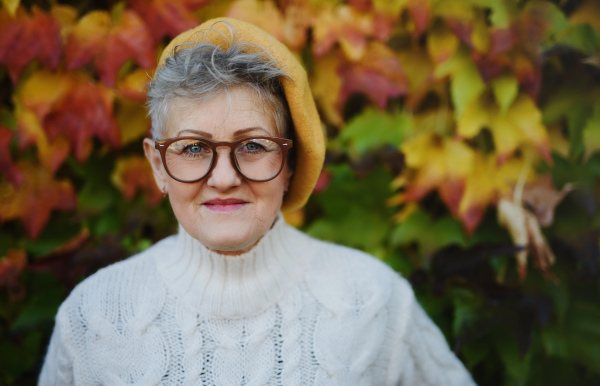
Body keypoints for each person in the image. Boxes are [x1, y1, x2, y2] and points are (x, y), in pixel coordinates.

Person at [39, 18, 476, 385]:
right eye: (193, 148)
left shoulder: (372, 301)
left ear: (289, 162)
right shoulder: (94, 316)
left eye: (253, 146)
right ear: (157, 164)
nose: (224, 178)